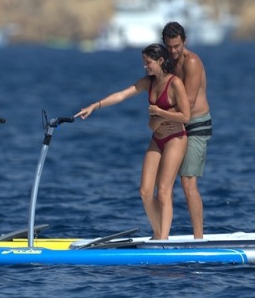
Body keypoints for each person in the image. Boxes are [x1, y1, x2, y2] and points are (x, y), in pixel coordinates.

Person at [75, 43, 190, 240]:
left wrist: (159, 114)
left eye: (148, 62)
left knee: (163, 191)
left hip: (175, 139)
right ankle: (157, 234)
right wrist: (95, 105)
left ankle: (163, 238)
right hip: (157, 139)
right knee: (145, 192)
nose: (145, 66)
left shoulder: (175, 83)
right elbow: (122, 94)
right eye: (144, 62)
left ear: (160, 61)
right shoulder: (149, 82)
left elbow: (186, 116)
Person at [161, 22, 212, 239]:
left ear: (185, 42)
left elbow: (188, 103)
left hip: (197, 124)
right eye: (169, 46)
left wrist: (160, 114)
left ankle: (199, 238)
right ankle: (161, 234)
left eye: (177, 46)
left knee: (188, 181)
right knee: (164, 182)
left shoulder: (192, 62)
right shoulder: (167, 61)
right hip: (176, 122)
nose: (173, 51)